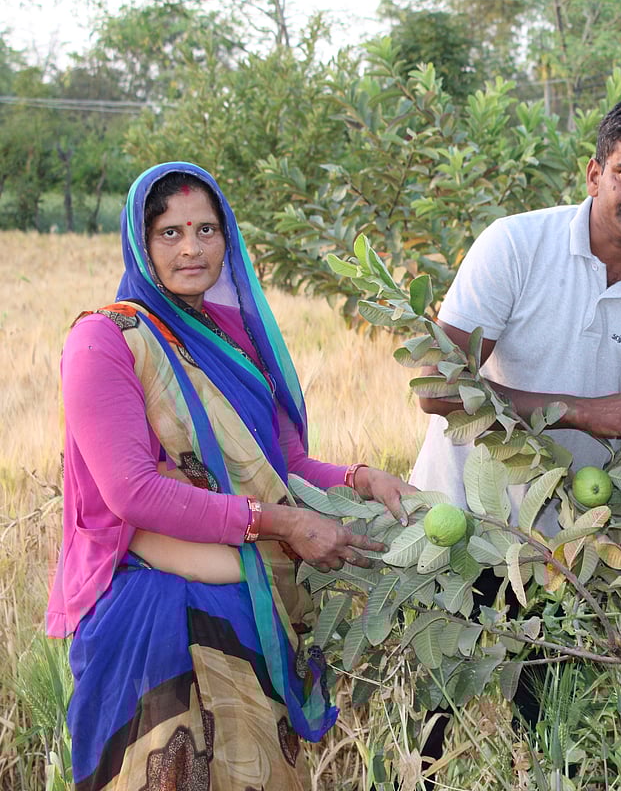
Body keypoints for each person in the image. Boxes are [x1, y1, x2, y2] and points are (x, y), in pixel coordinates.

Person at [46, 162, 415, 790]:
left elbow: (286, 466)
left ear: (228, 238)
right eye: (169, 232)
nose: (191, 248)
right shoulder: (104, 340)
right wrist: (281, 522)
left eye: (207, 229)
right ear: (140, 240)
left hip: (247, 596)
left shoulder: (236, 339)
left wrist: (360, 479)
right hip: (153, 607)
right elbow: (131, 491)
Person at [411, 94, 621, 576]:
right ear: (594, 175)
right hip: (458, 530)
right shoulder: (514, 245)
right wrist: (580, 412)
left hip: (578, 562)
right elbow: (437, 388)